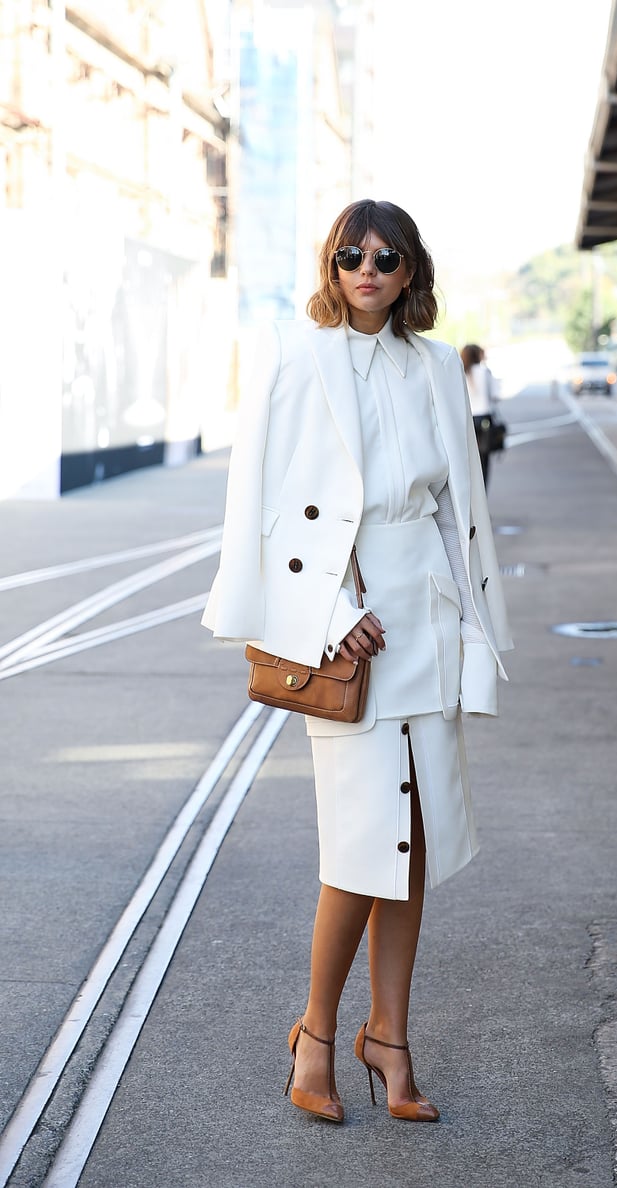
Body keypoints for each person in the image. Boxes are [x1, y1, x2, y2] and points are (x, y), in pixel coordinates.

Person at [202, 199, 512, 1125]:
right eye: (350, 255)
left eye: (386, 256)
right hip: (349, 625)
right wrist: (332, 613)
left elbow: (461, 513)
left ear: (411, 270)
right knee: (359, 845)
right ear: (330, 266)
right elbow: (268, 496)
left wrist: (477, 636)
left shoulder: (435, 367)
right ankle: (317, 1033)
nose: (367, 269)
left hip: (428, 615)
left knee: (415, 844)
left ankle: (391, 1037)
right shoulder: (299, 357)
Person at [461, 343, 500, 487]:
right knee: (483, 462)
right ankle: (482, 501)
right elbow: (496, 395)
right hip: (484, 420)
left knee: (468, 461)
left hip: (466, 420)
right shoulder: (485, 372)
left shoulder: (460, 371)